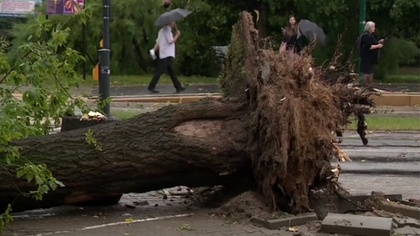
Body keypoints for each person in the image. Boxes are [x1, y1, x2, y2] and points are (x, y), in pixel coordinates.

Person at [148, 21, 186, 94]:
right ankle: (151, 86)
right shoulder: (167, 30)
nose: (174, 23)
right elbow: (171, 41)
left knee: (171, 71)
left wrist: (153, 50)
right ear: (170, 23)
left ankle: (178, 86)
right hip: (167, 54)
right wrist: (177, 35)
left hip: (164, 53)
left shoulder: (161, 31)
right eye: (173, 22)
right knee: (160, 71)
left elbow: (158, 43)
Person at [359, 21, 384, 89]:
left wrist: (378, 42)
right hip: (366, 57)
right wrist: (378, 46)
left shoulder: (371, 36)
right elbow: (369, 46)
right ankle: (365, 86)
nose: (374, 28)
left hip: (371, 57)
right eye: (373, 27)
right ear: (369, 28)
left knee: (370, 71)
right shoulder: (365, 36)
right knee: (367, 72)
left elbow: (373, 43)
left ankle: (369, 86)